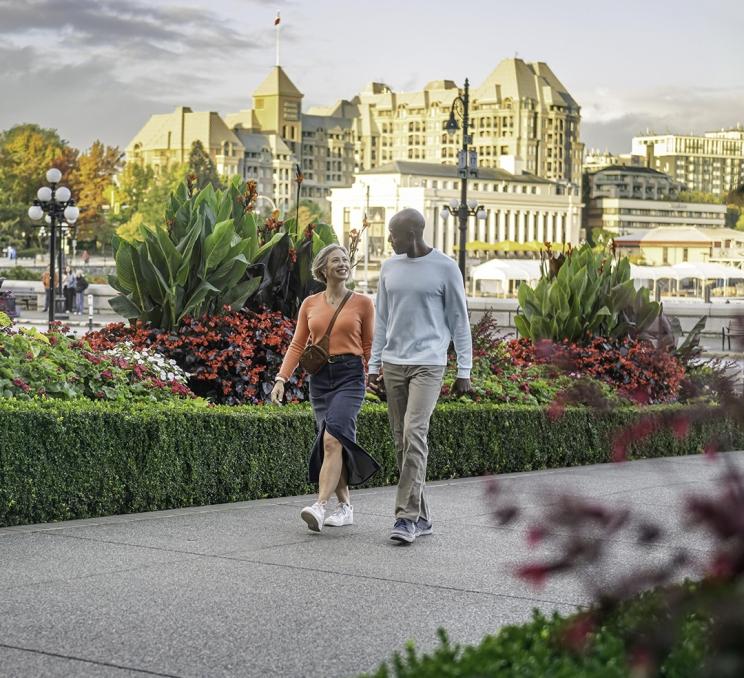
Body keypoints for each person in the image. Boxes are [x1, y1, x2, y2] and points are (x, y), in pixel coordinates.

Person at [367, 208, 472, 544]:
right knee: (401, 441)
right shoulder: (389, 267)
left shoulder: (445, 267)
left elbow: (459, 321)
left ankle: (405, 519)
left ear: (412, 234)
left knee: (415, 432)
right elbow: (382, 320)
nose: (388, 240)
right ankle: (423, 516)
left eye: (393, 235)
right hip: (394, 363)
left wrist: (464, 371)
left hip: (429, 363)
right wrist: (373, 366)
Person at [271, 244, 379, 532]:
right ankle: (345, 507)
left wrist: (376, 375)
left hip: (350, 376)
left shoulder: (363, 303)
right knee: (333, 442)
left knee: (332, 440)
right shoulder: (310, 303)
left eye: (345, 259)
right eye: (336, 260)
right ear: (323, 269)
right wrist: (282, 378)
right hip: (319, 378)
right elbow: (298, 344)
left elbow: (369, 345)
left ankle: (319, 507)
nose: (343, 264)